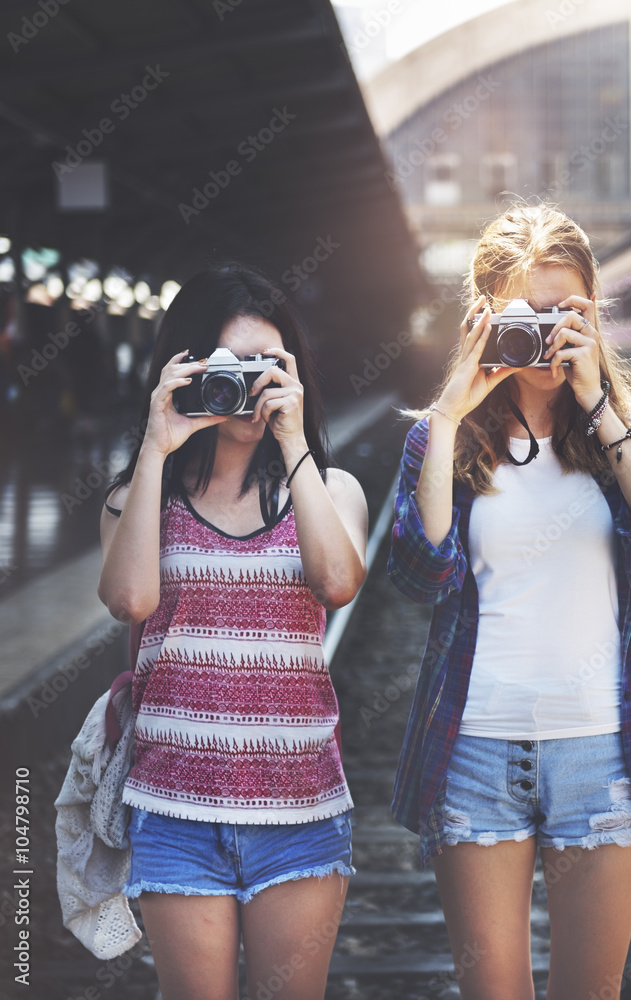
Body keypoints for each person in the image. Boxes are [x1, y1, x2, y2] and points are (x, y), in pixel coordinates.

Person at [387, 204, 631, 1000]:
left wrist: (599, 401)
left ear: (594, 313)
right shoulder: (443, 441)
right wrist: (450, 408)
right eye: (523, 315)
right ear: (482, 316)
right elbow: (418, 574)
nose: (545, 334)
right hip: (475, 754)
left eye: (565, 311)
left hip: (603, 753)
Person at [97, 264, 368, 1000]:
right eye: (230, 368)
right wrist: (156, 447)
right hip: (176, 809)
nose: (248, 388)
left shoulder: (331, 489)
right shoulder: (138, 496)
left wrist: (294, 445)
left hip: (300, 810)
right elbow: (128, 598)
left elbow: (337, 583)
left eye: (266, 367)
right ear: (183, 370)